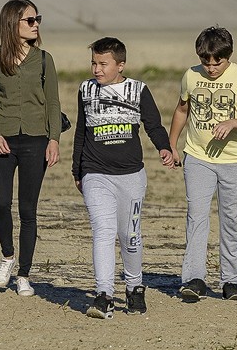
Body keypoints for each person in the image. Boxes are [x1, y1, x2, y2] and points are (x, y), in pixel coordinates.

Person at [72, 37, 174, 319]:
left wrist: (164, 148)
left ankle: (134, 287)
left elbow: (153, 124)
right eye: (93, 62)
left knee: (129, 236)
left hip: (131, 176)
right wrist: (77, 170)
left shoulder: (138, 90)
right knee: (103, 232)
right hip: (95, 173)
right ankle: (103, 294)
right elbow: (81, 132)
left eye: (103, 64)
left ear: (120, 64)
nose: (96, 69)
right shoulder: (85, 90)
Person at [168, 27, 237, 302]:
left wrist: (233, 123)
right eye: (206, 61)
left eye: (217, 62)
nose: (210, 67)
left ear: (228, 56)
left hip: (234, 160)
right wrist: (171, 145)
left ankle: (231, 281)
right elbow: (182, 109)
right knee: (196, 217)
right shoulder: (191, 75)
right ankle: (194, 279)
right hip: (198, 157)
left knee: (232, 221)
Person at [0, 0, 62, 297]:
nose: (36, 23)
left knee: (28, 210)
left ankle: (24, 274)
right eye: (29, 19)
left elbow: (53, 102)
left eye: (37, 18)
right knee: (0, 204)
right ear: (12, 24)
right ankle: (7, 258)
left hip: (36, 141)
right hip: (1, 141)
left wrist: (54, 139)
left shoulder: (44, 60)